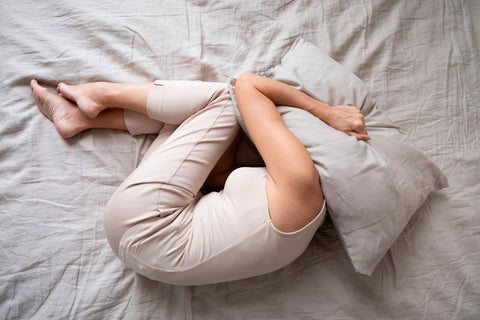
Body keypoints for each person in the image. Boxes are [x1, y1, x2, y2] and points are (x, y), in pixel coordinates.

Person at [30, 74, 369, 285]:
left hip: (143, 221)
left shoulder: (299, 180)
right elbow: (219, 176)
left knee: (220, 99)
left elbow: (245, 86)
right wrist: (232, 128)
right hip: (146, 258)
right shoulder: (296, 218)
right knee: (191, 120)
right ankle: (79, 118)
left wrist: (323, 111)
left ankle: (102, 93)